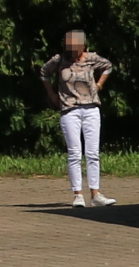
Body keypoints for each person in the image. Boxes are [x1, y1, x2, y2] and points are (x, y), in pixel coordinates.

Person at [41, 29, 116, 209]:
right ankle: (78, 195)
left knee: (92, 153)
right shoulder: (59, 60)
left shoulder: (91, 58)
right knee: (75, 153)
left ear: (82, 46)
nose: (72, 51)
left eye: (75, 47)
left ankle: (96, 194)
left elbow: (108, 66)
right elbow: (44, 72)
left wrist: (99, 84)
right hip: (69, 110)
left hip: (91, 108)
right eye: (69, 47)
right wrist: (51, 94)